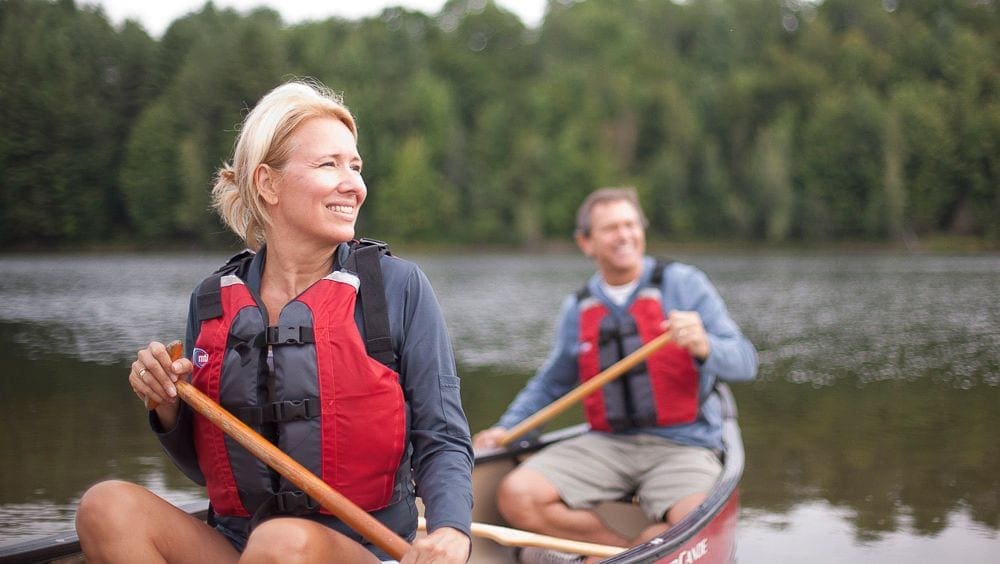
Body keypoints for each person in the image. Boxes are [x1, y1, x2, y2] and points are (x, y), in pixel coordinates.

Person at [75, 80, 473, 563]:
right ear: (268, 183)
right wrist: (167, 408)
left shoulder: (396, 288)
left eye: (355, 165)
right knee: (107, 506)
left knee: (282, 543)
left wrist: (451, 531)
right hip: (240, 548)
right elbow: (208, 470)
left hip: (362, 552)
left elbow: (444, 437)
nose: (353, 183)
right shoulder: (212, 301)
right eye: (329, 165)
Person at [473, 187, 757, 561]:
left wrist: (705, 344)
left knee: (693, 520)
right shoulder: (579, 307)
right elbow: (552, 384)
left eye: (630, 224)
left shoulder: (685, 284)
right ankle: (618, 551)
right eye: (610, 228)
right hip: (607, 444)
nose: (624, 235)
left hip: (684, 443)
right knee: (516, 494)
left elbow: (745, 362)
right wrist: (506, 431)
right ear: (586, 242)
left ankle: (621, 553)